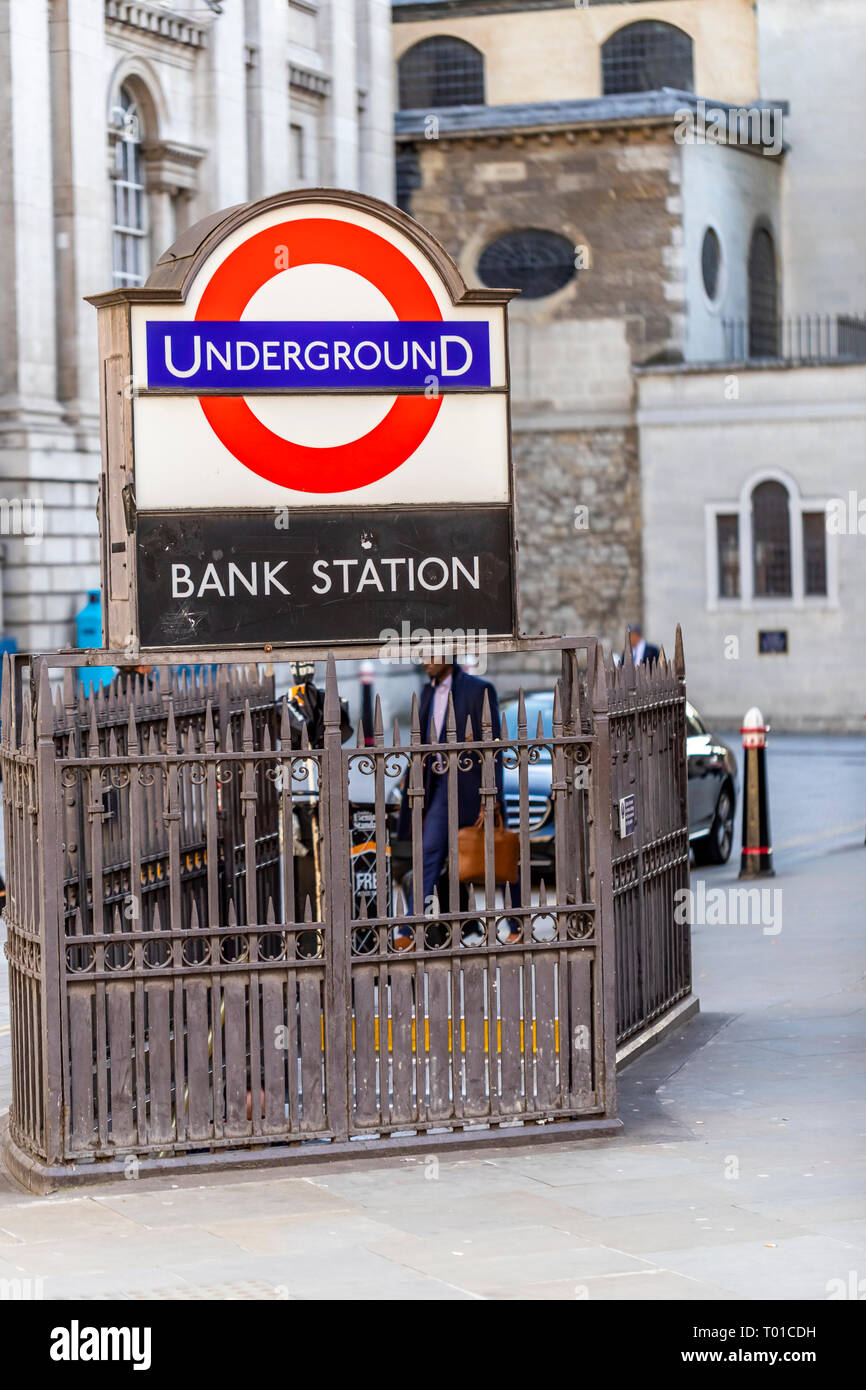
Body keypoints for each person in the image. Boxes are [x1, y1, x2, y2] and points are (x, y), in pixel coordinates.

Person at [397, 658, 506, 918]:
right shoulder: (427, 691)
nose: (425, 662)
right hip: (439, 789)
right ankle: (411, 928)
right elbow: (421, 740)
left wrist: (492, 793)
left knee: (495, 855)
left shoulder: (479, 689)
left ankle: (516, 926)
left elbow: (494, 747)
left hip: (474, 789)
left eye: (432, 655)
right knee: (428, 854)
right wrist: (408, 775)